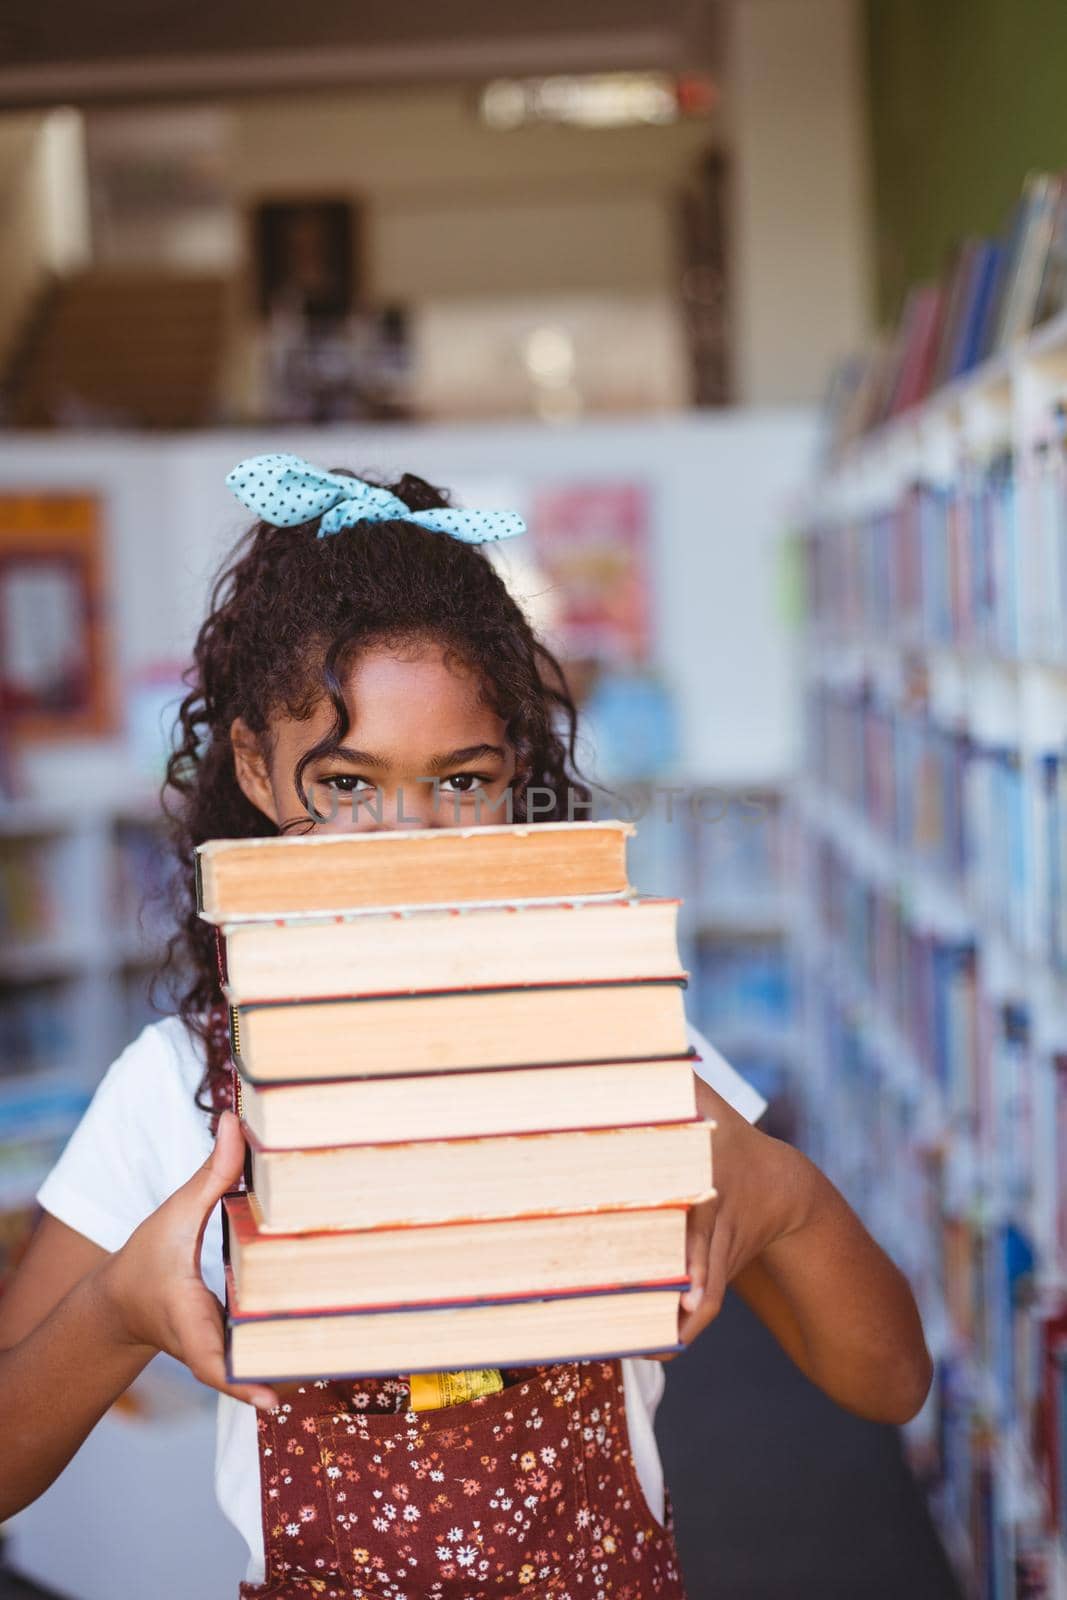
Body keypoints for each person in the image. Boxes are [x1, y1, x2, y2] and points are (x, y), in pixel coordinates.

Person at [0, 455, 932, 1598]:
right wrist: (113, 1311)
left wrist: (779, 1188)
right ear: (253, 764)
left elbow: (886, 1382)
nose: (407, 839)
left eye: (462, 779)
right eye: (345, 785)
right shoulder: (177, 1087)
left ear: (517, 780)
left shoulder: (616, 1042)